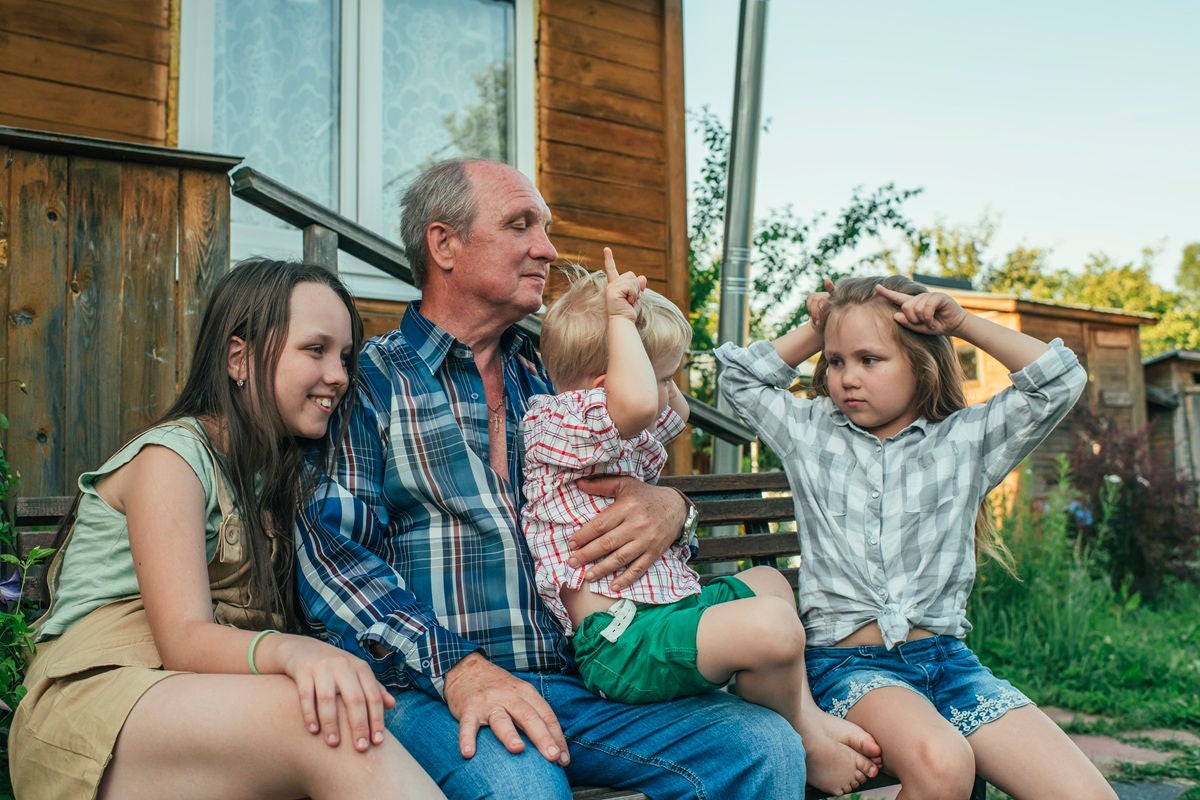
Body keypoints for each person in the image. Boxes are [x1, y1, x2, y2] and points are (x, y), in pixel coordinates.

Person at [296, 158, 822, 799]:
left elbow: (637, 460)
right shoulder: (371, 382)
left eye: (544, 228)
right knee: (524, 787)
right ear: (444, 244)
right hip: (437, 687)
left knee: (764, 748)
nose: (546, 249)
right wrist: (458, 669)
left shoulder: (556, 371)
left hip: (586, 675)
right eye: (520, 225)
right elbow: (336, 560)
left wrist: (673, 509)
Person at [9, 258, 442, 800]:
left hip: (196, 702)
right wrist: (297, 652)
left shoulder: (281, 477)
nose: (339, 375)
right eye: (315, 349)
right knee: (327, 723)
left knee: (344, 714)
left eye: (345, 357)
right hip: (96, 709)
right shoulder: (173, 459)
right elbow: (183, 639)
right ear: (240, 358)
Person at [716, 274, 1117, 799]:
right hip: (847, 669)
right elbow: (739, 379)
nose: (847, 378)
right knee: (943, 766)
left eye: (869, 359)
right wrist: (819, 328)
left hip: (949, 667)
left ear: (920, 362)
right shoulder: (809, 433)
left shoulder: (966, 439)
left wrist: (962, 323)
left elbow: (1059, 379)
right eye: (835, 361)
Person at [521, 251, 881, 795]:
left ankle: (796, 713)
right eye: (665, 377)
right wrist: (618, 321)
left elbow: (673, 412)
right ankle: (804, 733)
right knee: (774, 626)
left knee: (770, 583)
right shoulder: (556, 422)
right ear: (605, 384)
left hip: (663, 618)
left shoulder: (617, 428)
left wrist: (816, 329)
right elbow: (638, 402)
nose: (672, 391)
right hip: (621, 643)